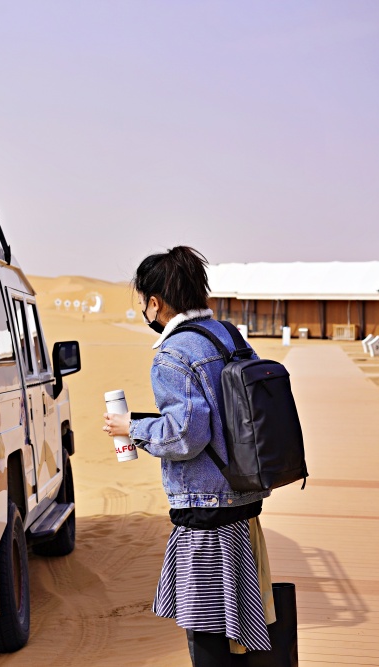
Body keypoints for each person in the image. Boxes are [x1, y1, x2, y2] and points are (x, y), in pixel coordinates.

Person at [103, 247, 275, 667]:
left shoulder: (172, 354)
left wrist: (133, 429)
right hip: (245, 500)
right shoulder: (230, 336)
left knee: (208, 633)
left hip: (206, 513)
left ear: (155, 303)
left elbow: (186, 436)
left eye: (143, 301)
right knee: (244, 629)